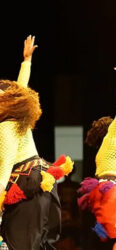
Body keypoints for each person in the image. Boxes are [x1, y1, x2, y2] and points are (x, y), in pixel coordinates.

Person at [0, 36, 73, 250]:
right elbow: (20, 90)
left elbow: (4, 167)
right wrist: (27, 61)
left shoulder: (5, 126)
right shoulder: (19, 118)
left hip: (27, 184)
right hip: (42, 183)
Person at [77, 62, 116, 250]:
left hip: (101, 192)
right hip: (113, 191)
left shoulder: (103, 151)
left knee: (112, 237)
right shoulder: (114, 134)